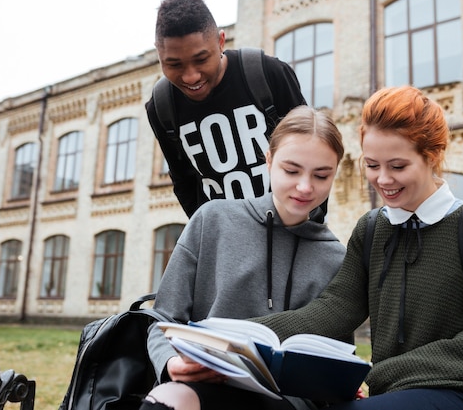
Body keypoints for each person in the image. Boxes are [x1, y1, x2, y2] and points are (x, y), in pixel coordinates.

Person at [249, 86, 463, 410]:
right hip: (392, 397)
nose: (383, 179)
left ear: (431, 156)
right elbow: (334, 309)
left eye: (397, 166)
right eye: (372, 165)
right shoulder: (371, 229)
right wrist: (243, 336)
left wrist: (395, 371)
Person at [143, 106, 351, 410]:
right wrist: (171, 361)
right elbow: (162, 320)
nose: (305, 187)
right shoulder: (212, 220)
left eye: (321, 175)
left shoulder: (334, 257)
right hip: (204, 385)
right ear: (268, 161)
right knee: (169, 400)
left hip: (286, 402)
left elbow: (336, 355)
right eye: (291, 171)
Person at [146, 0, 307, 218]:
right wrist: (208, 234)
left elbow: (310, 154)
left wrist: (308, 227)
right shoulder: (162, 106)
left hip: (290, 231)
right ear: (159, 53)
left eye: (201, 60)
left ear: (221, 41)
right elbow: (184, 182)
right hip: (224, 242)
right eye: (174, 64)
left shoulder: (269, 74)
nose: (191, 76)